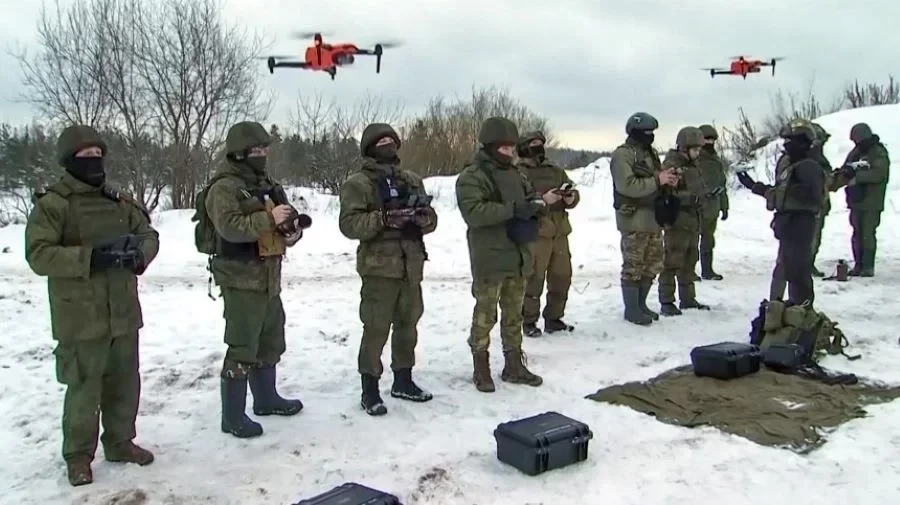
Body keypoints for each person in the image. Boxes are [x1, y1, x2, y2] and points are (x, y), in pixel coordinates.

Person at [24, 125, 159, 486]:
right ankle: (78, 456)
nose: (94, 161)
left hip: (123, 312)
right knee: (84, 388)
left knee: (125, 383)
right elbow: (38, 255)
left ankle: (120, 442)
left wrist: (140, 256)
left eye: (98, 155)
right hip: (81, 317)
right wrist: (89, 258)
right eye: (85, 156)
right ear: (69, 161)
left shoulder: (119, 202)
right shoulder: (54, 205)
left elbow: (148, 234)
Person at [200, 121, 304, 439]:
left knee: (270, 341)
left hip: (269, 277)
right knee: (243, 345)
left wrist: (291, 231)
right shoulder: (224, 188)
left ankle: (266, 399)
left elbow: (282, 226)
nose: (261, 154)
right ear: (239, 153)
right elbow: (230, 228)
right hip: (240, 278)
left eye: (264, 149)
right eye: (255, 150)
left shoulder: (269, 185)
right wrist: (268, 218)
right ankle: (232, 417)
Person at [338, 123, 438, 416]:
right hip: (379, 268)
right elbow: (349, 224)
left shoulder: (411, 180)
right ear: (370, 148)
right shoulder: (358, 184)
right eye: (381, 142)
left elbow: (432, 220)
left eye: (391, 141)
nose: (388, 146)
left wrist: (422, 218)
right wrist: (383, 219)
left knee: (408, 325)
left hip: (411, 266)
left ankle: (403, 380)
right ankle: (369, 389)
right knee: (376, 328)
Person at [455, 116, 546, 392]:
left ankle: (514, 364)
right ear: (490, 146)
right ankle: (480, 366)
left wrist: (536, 207)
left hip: (518, 254)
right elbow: (474, 213)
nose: (510, 152)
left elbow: (530, 198)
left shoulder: (518, 174)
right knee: (485, 315)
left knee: (514, 315)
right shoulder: (472, 176)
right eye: (504, 148)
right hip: (490, 257)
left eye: (512, 147)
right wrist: (514, 209)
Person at [737, 121, 824, 305]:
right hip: (789, 223)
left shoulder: (808, 167)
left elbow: (808, 196)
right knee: (786, 267)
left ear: (802, 142)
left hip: (800, 223)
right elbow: (782, 192)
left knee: (797, 270)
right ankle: (779, 307)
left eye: (790, 141)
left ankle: (800, 309)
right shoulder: (792, 164)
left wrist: (775, 194)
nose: (786, 145)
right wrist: (754, 186)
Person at [609, 112, 679, 325]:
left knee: (652, 264)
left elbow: (656, 179)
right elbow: (627, 186)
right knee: (634, 265)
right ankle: (632, 309)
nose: (650, 135)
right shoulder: (623, 155)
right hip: (634, 219)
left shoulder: (650, 154)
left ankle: (641, 304)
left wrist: (669, 179)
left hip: (653, 218)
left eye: (652, 132)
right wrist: (658, 180)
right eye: (646, 132)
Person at [514, 131, 580, 338]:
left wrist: (571, 198)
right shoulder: (517, 172)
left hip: (559, 231)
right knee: (533, 279)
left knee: (562, 277)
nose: (538, 147)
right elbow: (518, 201)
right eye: (533, 143)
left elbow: (573, 190)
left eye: (540, 143)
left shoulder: (555, 170)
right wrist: (543, 199)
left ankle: (554, 318)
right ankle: (528, 320)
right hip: (536, 232)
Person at [658, 126, 711, 315]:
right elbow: (666, 194)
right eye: (695, 149)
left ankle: (688, 298)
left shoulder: (693, 165)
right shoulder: (672, 166)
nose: (698, 152)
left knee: (690, 261)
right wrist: (690, 198)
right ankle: (667, 301)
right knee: (671, 261)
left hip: (692, 220)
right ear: (684, 148)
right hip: (677, 221)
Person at [829, 122, 890, 277]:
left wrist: (857, 177)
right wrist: (836, 180)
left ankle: (867, 266)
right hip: (856, 200)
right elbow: (847, 169)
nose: (856, 143)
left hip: (871, 202)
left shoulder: (878, 152)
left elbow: (879, 174)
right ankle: (858, 265)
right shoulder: (855, 153)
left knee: (867, 234)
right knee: (857, 234)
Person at [696, 124, 729, 280]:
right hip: (695, 206)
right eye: (706, 139)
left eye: (712, 140)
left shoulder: (716, 160)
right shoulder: (694, 159)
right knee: (690, 241)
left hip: (712, 207)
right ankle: (687, 271)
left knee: (708, 240)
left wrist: (724, 206)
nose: (709, 143)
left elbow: (722, 184)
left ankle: (707, 270)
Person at [809, 122, 834, 277]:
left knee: (815, 238)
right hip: (810, 206)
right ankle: (805, 265)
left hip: (818, 204)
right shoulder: (809, 160)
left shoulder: (818, 158)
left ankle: (807, 264)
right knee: (810, 238)